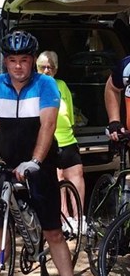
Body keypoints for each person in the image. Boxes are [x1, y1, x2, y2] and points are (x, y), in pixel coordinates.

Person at [0, 31, 86, 276]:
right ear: (5, 62)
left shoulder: (46, 85)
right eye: (12, 60)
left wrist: (35, 161)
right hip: (9, 163)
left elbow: (47, 127)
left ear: (32, 61)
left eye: (24, 60)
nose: (18, 66)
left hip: (40, 163)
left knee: (53, 231)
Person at [36, 50, 86, 217]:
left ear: (56, 70)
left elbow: (70, 115)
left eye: (50, 67)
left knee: (77, 175)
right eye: (42, 67)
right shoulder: (34, 86)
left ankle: (79, 219)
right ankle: (63, 217)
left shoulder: (62, 85)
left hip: (68, 139)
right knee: (57, 179)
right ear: (36, 68)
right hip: (49, 140)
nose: (46, 71)